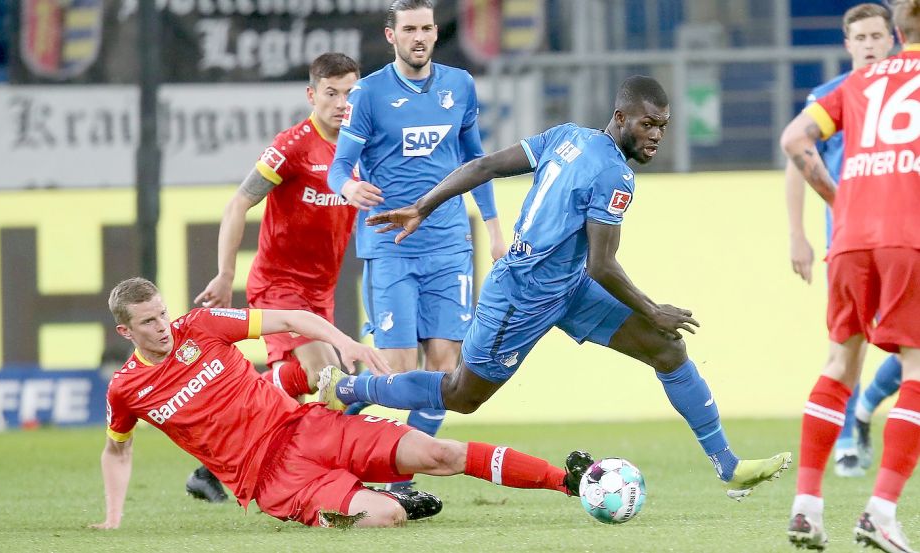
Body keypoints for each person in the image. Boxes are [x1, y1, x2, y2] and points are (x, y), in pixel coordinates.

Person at [336, 75, 791, 501]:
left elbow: (488, 165)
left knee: (667, 350)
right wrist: (653, 310)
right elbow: (602, 264)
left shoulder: (567, 135)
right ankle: (358, 390)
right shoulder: (616, 175)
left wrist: (423, 205)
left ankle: (728, 465)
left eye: (662, 127)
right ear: (620, 118)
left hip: (567, 288)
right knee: (461, 395)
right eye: (647, 124)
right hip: (520, 296)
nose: (655, 135)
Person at [92, 277, 597, 529]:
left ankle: (569, 482)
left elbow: (290, 318)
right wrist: (114, 518)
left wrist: (349, 346)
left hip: (307, 426)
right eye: (148, 323)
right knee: (386, 518)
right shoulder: (127, 389)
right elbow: (117, 450)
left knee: (439, 454)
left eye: (162, 314)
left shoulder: (198, 328)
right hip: (270, 479)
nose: (162, 327)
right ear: (125, 330)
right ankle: (387, 497)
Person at [326, 0, 506, 487]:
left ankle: (399, 481)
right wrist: (347, 187)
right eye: (410, 29)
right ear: (392, 36)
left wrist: (492, 231)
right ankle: (339, 404)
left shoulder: (460, 86)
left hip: (449, 245)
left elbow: (478, 164)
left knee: (446, 370)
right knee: (398, 372)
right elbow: (338, 167)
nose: (420, 37)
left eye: (427, 28)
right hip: (390, 246)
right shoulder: (368, 94)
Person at [187, 53, 360, 503]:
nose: (342, 103)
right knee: (328, 377)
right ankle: (333, 483)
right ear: (311, 95)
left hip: (321, 290)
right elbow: (238, 203)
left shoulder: (360, 146)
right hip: (280, 286)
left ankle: (212, 462)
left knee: (298, 384)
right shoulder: (292, 146)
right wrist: (226, 274)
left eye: (350, 93)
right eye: (332, 93)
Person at [780, 0, 920, 549]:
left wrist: (842, 202)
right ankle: (881, 511)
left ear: (895, 32)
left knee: (840, 362)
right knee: (917, 368)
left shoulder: (856, 84)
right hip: (908, 239)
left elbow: (795, 140)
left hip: (851, 238)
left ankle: (806, 509)